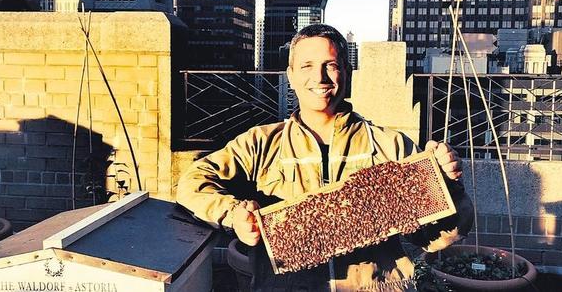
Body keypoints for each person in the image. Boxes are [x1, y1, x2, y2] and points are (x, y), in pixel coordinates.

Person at [176, 24, 473, 291]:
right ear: (290, 75)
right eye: (306, 66)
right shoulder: (260, 143)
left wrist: (448, 186)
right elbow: (192, 183)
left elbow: (438, 237)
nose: (318, 77)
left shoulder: (389, 144)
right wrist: (234, 215)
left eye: (330, 65)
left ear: (346, 71)